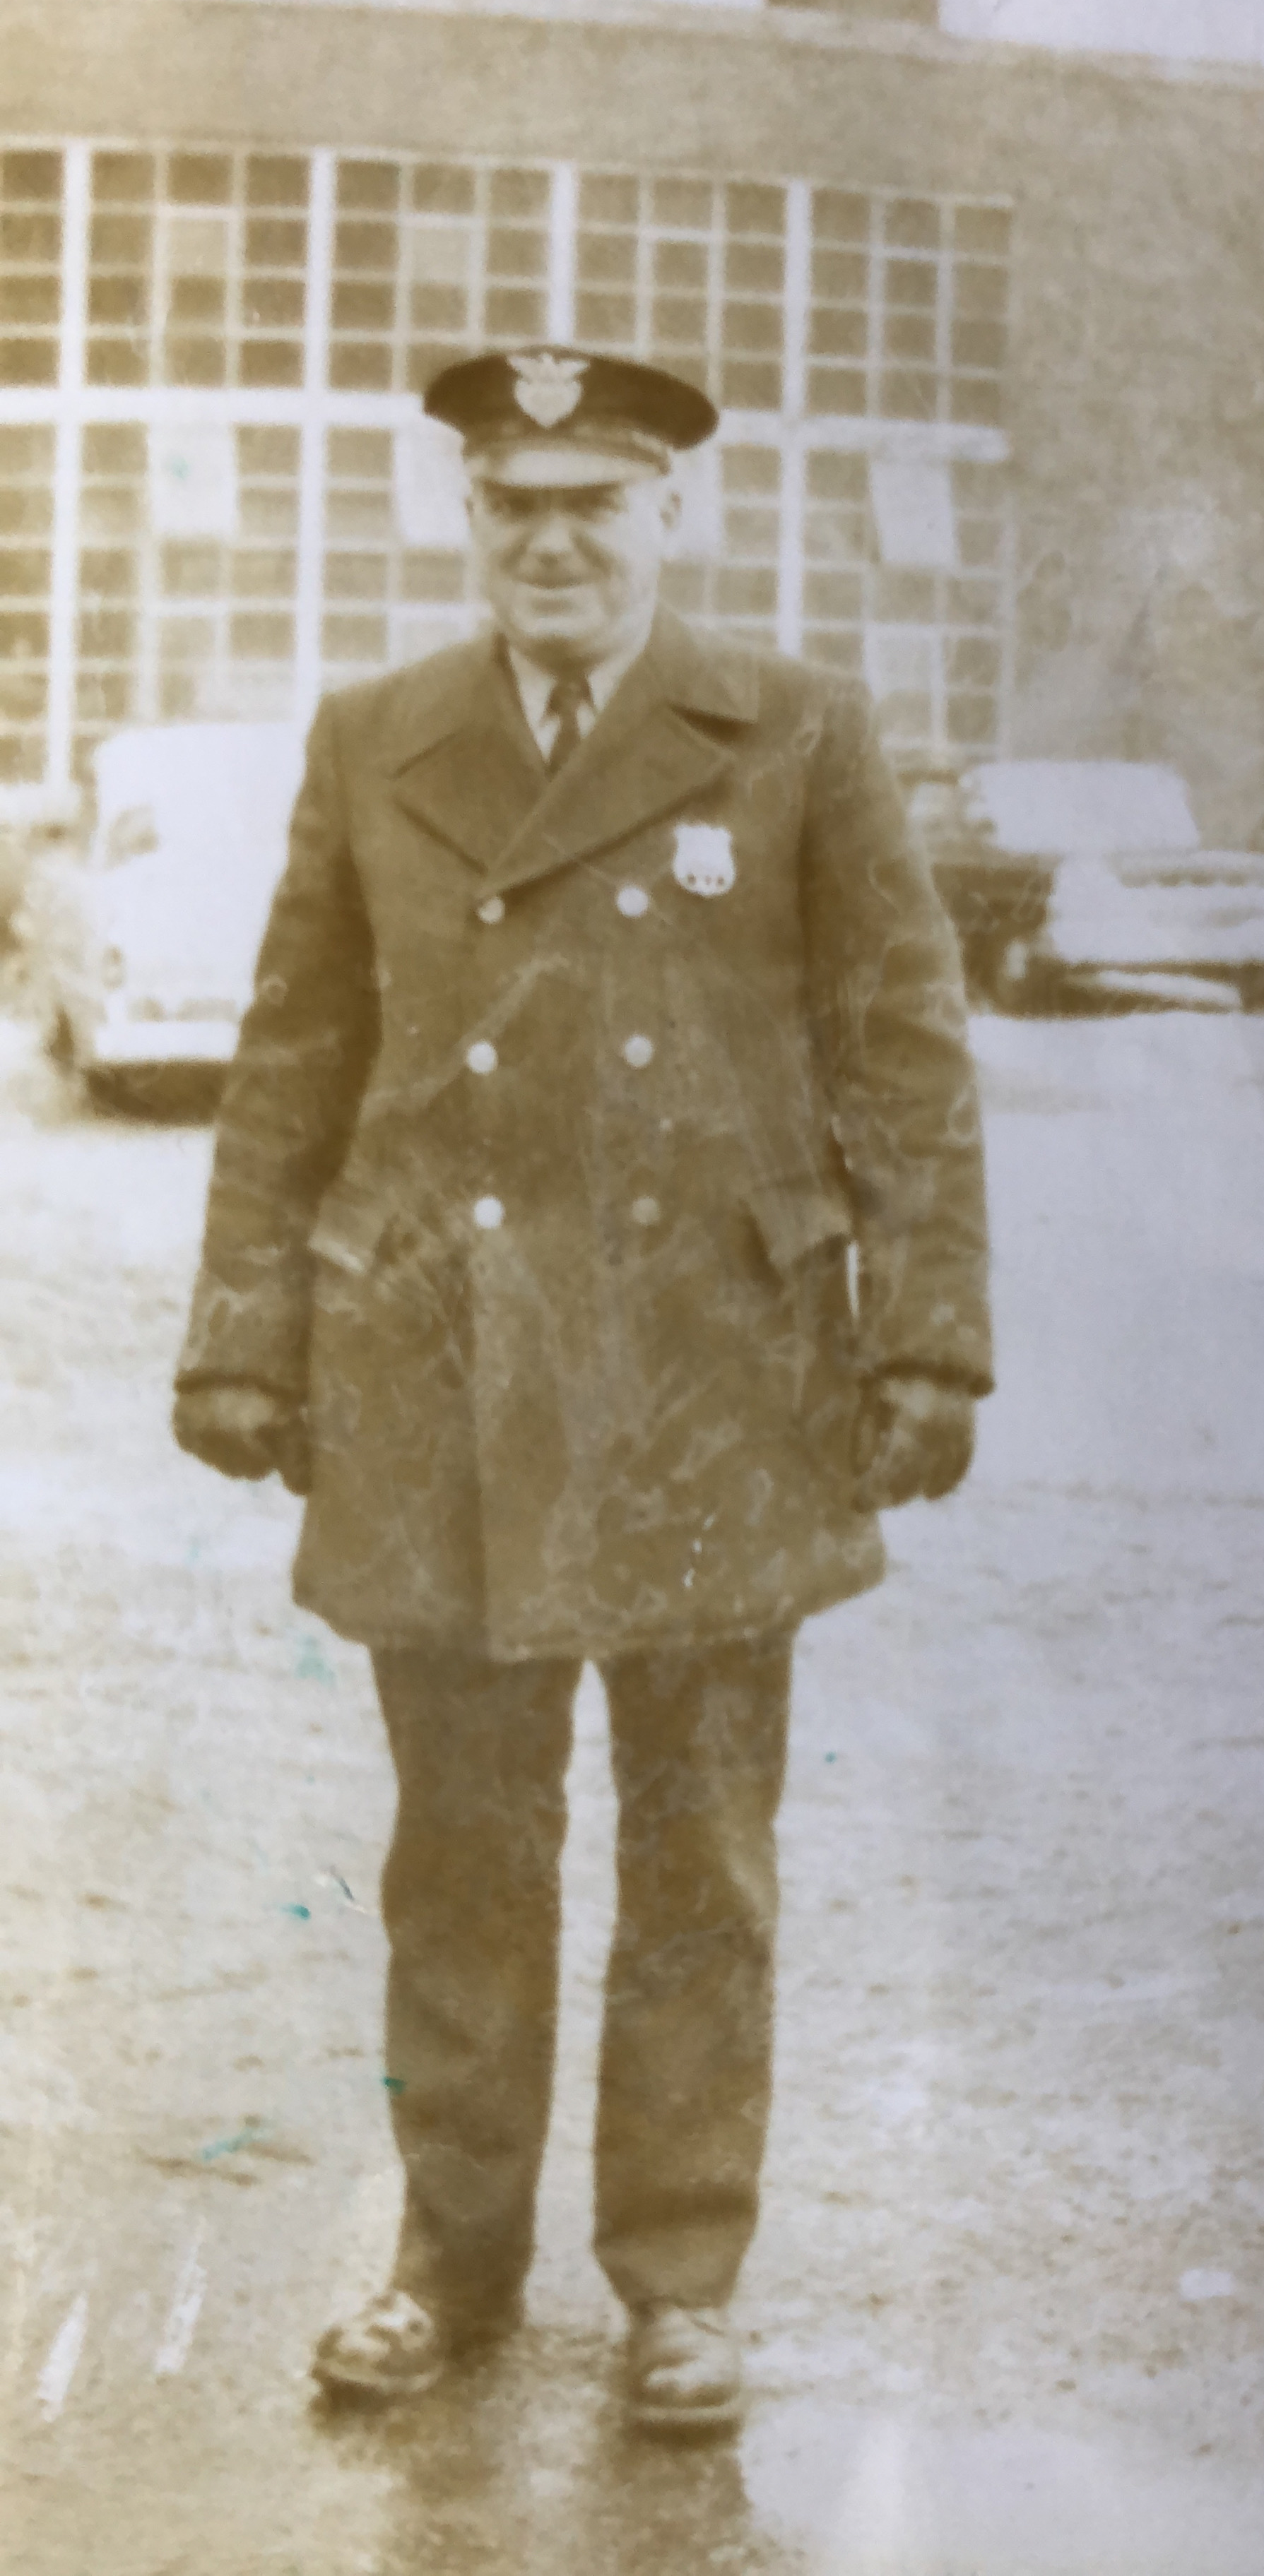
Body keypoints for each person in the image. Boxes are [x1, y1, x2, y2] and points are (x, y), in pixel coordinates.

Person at [172, 343, 993, 2434]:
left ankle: (680, 2285)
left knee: (701, 1854)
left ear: (667, 518)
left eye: (592, 507)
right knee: (460, 1847)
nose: (551, 543)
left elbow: (900, 1047)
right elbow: (295, 1053)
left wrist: (927, 1334)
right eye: (512, 505)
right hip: (437, 1366)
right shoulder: (377, 737)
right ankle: (447, 2268)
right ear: (470, 518)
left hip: (714, 1377)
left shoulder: (795, 729)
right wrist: (245, 1330)